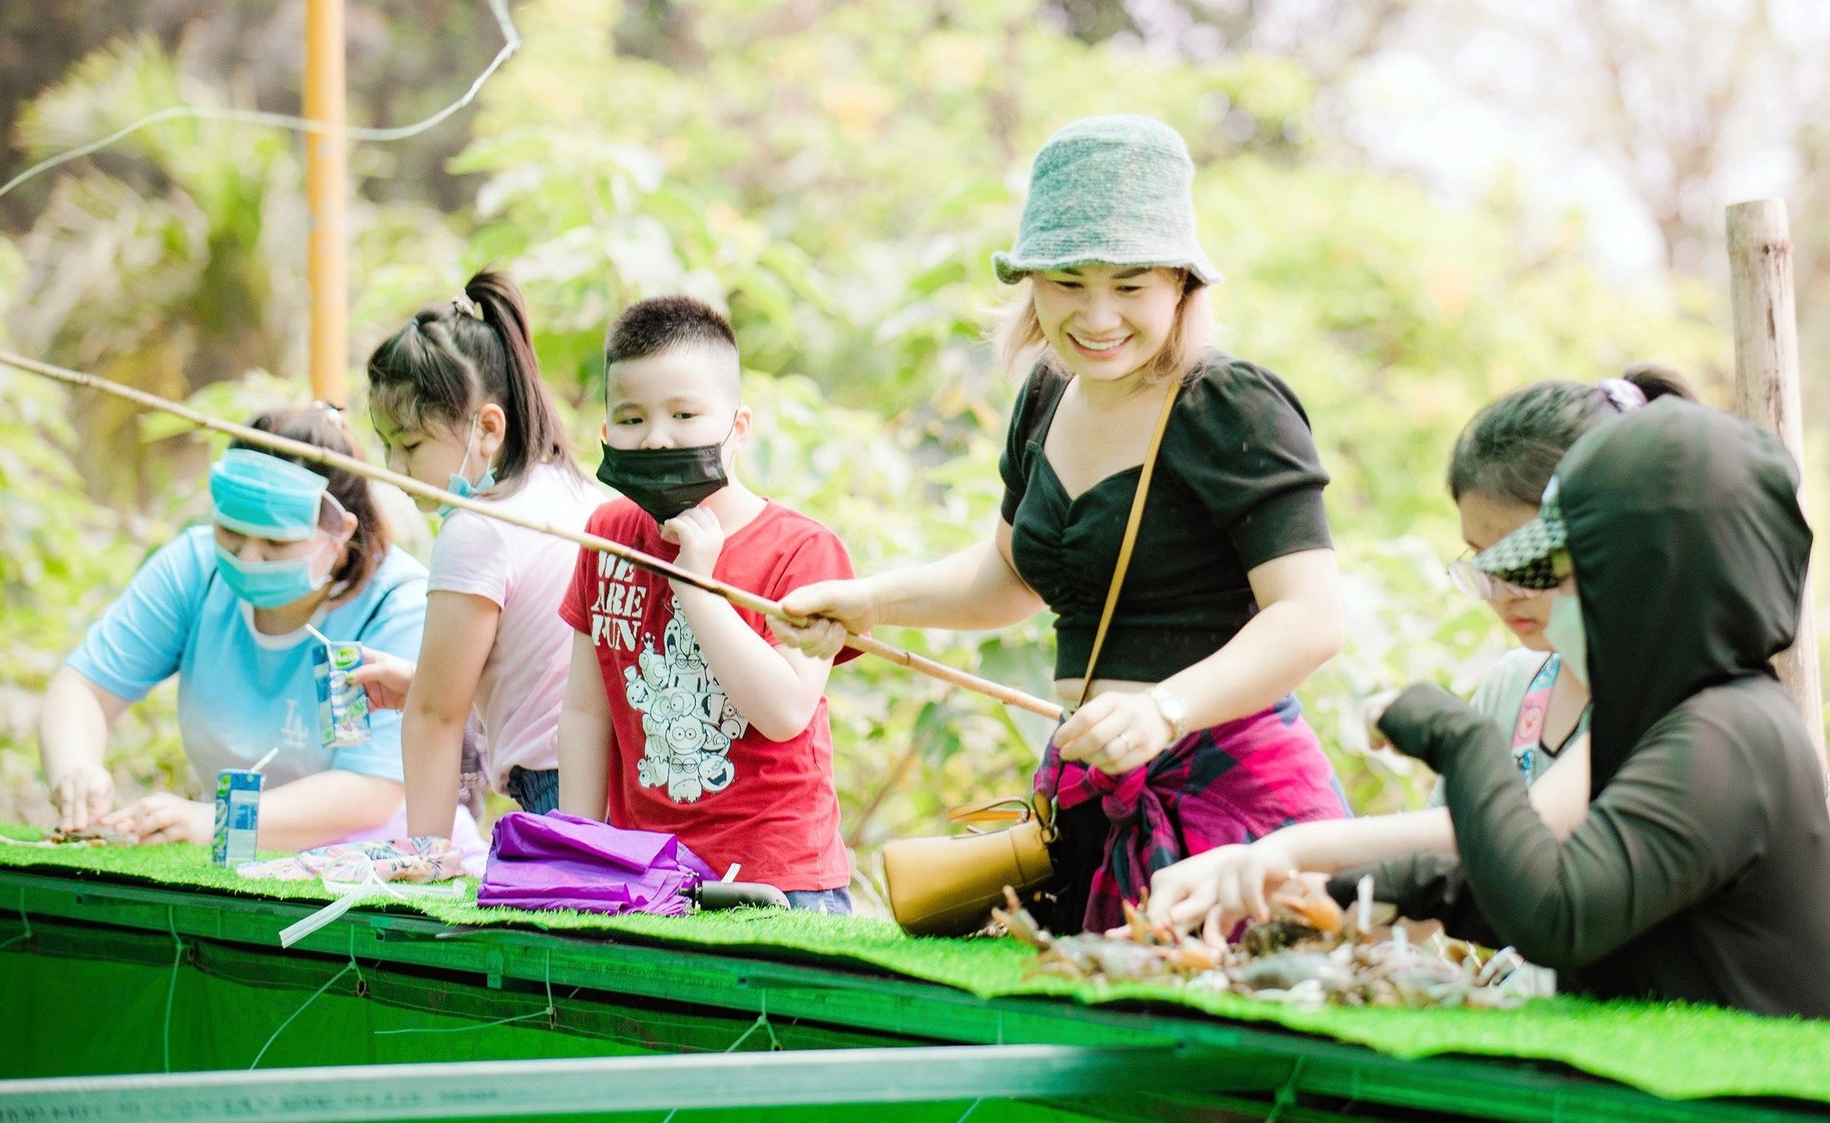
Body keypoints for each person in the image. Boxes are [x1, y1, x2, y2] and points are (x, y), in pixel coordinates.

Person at [778, 114, 1351, 933]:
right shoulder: (1046, 395)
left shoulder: (1231, 405)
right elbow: (1009, 578)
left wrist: (1165, 710)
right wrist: (871, 600)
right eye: (1068, 282)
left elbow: (1312, 616)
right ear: (1032, 284)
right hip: (1089, 792)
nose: (1097, 315)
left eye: (1129, 285)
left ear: (1182, 284)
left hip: (1233, 799)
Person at [1331, 399, 1830, 1027]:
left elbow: (1560, 913)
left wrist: (1457, 738)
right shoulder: (1663, 715)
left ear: (1649, 576)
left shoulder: (1728, 733)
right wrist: (1363, 891)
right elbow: (1569, 885)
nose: (1533, 592)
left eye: (1572, 567)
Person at [1148, 368, 1694, 933]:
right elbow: (1429, 882)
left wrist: (1291, 847)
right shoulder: (1517, 685)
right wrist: (1267, 895)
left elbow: (1523, 829)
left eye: (1525, 558)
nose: (1504, 592)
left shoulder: (1671, 698)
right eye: (1485, 562)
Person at [38, 406, 476, 850]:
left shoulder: (398, 603)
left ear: (339, 531)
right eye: (230, 533)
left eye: (275, 543)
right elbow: (84, 686)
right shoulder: (195, 568)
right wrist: (75, 768)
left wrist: (214, 822)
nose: (247, 559)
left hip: (375, 866)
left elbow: (371, 791)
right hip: (235, 859)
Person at [556, 296, 858, 911]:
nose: (657, 439)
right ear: (607, 432)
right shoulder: (607, 535)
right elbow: (587, 714)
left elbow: (783, 711)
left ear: (737, 428)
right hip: (646, 877)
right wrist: (579, 854)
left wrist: (696, 585)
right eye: (633, 420)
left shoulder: (803, 551)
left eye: (685, 414)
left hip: (780, 884)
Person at [357, 269, 604, 831]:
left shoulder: (478, 526)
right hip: (618, 785)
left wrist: (426, 858)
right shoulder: (576, 492)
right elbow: (539, 669)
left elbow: (433, 717)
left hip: (559, 789)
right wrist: (426, 678)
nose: (395, 470)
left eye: (411, 444)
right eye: (387, 446)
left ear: (488, 428)